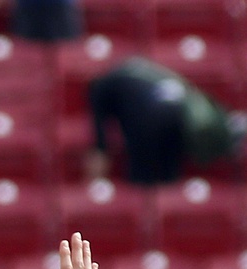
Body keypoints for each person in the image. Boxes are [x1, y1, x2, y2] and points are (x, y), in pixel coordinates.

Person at [87, 56, 247, 185]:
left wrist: (95, 180)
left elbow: (100, 143)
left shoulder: (101, 87)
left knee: (142, 183)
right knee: (168, 182)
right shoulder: (140, 69)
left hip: (149, 121)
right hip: (177, 117)